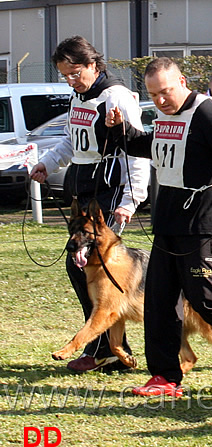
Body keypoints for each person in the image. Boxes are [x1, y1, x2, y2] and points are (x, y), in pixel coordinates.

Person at [106, 57, 212, 396]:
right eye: (153, 95)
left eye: (165, 92)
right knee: (160, 301)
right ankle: (165, 376)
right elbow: (150, 147)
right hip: (168, 220)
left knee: (204, 297)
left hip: (204, 220)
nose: (161, 100)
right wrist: (117, 130)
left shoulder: (208, 113)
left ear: (183, 81)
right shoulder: (166, 116)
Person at [29, 36, 149, 373]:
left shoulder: (117, 97)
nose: (71, 80)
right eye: (65, 75)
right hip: (83, 184)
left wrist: (131, 199)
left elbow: (136, 150)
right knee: (79, 265)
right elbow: (72, 140)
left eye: (75, 72)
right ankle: (111, 348)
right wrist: (48, 163)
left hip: (109, 190)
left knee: (93, 269)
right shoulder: (78, 96)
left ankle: (104, 349)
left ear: (94, 65)